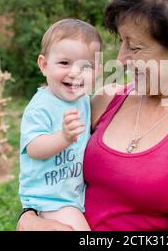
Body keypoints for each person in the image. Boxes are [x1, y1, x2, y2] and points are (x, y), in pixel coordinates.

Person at [17, 0, 168, 231]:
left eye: (135, 48)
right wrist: (28, 218)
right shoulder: (108, 99)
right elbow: (51, 175)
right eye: (121, 42)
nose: (122, 59)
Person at [18, 19, 102, 231]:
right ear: (44, 65)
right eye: (64, 63)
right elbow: (34, 148)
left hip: (71, 194)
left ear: (97, 71)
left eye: (85, 66)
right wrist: (62, 138)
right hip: (48, 198)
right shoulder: (41, 107)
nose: (74, 72)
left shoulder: (84, 100)